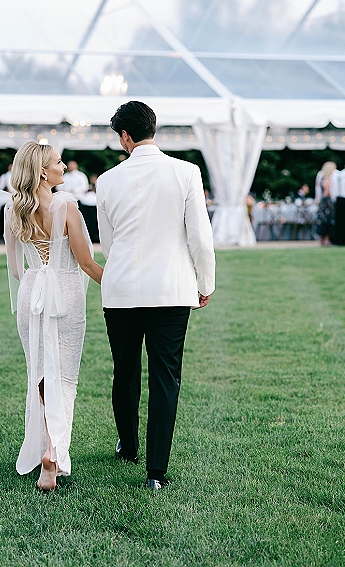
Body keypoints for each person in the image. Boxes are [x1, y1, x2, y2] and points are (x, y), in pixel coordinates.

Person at [96, 101, 215, 491]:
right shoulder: (186, 172)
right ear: (153, 129)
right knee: (166, 378)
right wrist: (205, 282)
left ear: (126, 137)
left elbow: (109, 244)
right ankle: (155, 473)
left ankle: (128, 446)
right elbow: (199, 236)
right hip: (171, 288)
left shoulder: (107, 180)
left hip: (122, 289)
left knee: (125, 370)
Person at [4, 142, 103, 492]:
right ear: (44, 172)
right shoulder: (66, 206)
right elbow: (87, 263)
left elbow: (16, 269)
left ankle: (48, 449)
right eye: (59, 163)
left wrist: (37, 274)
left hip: (32, 294)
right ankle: (53, 453)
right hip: (65, 293)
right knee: (65, 380)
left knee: (41, 377)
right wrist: (120, 287)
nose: (64, 168)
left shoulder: (13, 209)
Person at [315, 161, 336, 246]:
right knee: (327, 220)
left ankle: (322, 238)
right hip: (327, 202)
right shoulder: (327, 179)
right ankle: (326, 238)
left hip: (323, 202)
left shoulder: (321, 177)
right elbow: (327, 192)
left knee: (322, 220)